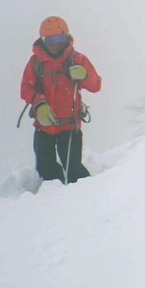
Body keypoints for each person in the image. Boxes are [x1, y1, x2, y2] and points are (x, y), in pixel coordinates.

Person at [19, 16, 101, 184]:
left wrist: (85, 76)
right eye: (51, 39)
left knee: (74, 171)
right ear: (43, 39)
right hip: (44, 126)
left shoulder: (78, 59)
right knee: (46, 171)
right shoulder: (36, 62)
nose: (56, 43)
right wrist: (40, 103)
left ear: (66, 37)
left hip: (70, 126)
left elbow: (96, 85)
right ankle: (53, 203)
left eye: (60, 38)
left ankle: (88, 198)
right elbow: (25, 89)